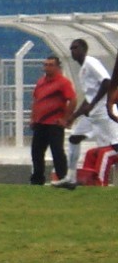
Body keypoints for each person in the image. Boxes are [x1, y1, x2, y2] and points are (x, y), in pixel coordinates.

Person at [53, 39, 118, 189]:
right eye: (71, 48)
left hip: (104, 113)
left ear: (84, 49)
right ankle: (70, 178)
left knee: (114, 145)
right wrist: (72, 118)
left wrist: (93, 104)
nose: (72, 51)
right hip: (93, 115)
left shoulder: (90, 62)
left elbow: (107, 82)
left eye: (75, 48)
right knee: (74, 138)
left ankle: (102, 184)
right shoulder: (82, 70)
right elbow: (88, 99)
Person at [29, 56, 76, 186]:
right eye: (45, 65)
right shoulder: (41, 82)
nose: (47, 67)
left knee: (57, 151)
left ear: (57, 67)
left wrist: (65, 119)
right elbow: (36, 100)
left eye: (50, 65)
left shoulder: (63, 82)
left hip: (54, 124)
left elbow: (72, 100)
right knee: (36, 152)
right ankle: (37, 179)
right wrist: (33, 118)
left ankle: (63, 178)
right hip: (40, 123)